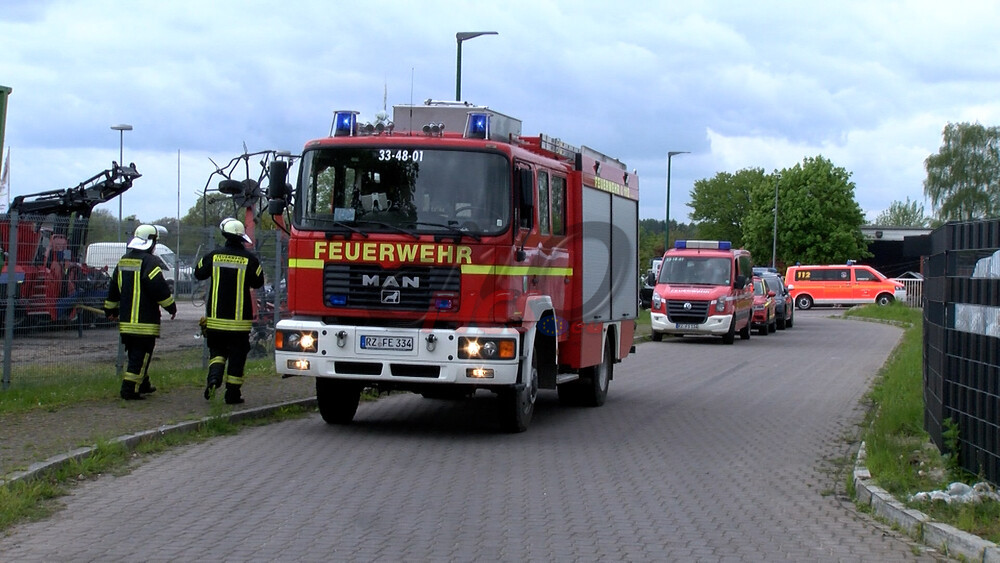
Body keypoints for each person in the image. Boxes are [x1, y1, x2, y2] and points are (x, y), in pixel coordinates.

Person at [195, 218, 265, 404]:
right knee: (237, 356)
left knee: (217, 352)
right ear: (242, 238)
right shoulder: (250, 259)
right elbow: (259, 282)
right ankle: (232, 395)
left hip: (216, 319)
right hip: (240, 322)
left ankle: (214, 378)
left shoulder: (213, 256)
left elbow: (198, 273)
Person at [104, 224, 177, 400]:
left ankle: (143, 383)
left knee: (135, 355)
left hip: (127, 322)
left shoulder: (123, 260)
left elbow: (113, 288)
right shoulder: (150, 262)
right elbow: (158, 288)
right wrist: (171, 307)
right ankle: (129, 389)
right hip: (144, 323)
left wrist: (110, 310)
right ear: (151, 242)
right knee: (141, 356)